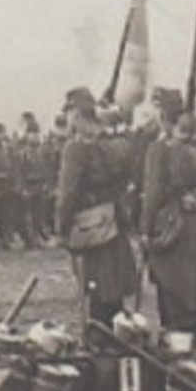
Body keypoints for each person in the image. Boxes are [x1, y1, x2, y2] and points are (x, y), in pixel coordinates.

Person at [140, 88, 196, 347]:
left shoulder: (160, 149)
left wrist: (146, 228)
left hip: (173, 222)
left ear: (164, 115)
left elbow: (153, 192)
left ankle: (178, 339)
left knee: (172, 280)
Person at [55, 86, 139, 329]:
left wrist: (61, 227)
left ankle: (99, 337)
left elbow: (67, 194)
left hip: (88, 227)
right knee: (113, 286)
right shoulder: (117, 144)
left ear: (78, 115)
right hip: (114, 219)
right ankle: (117, 331)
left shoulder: (75, 149)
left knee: (95, 288)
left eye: (70, 113)